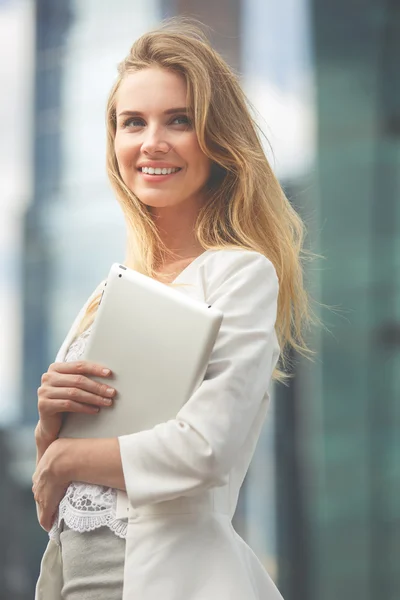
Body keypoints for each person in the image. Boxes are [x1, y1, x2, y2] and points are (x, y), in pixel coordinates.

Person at [32, 18, 315, 600]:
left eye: (178, 120)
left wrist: (63, 459)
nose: (151, 142)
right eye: (132, 122)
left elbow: (205, 449)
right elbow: (60, 494)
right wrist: (49, 424)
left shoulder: (239, 272)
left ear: (216, 139)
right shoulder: (108, 292)